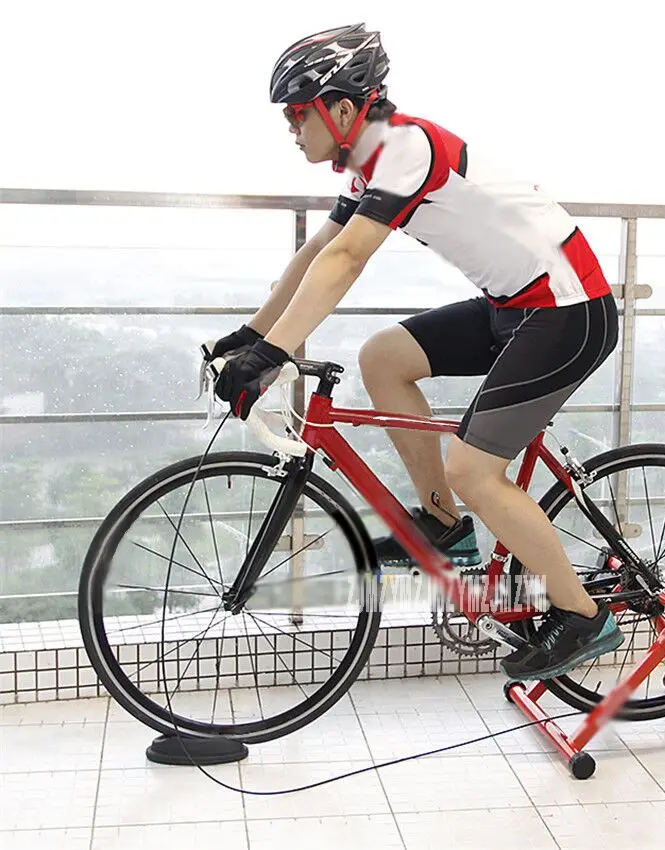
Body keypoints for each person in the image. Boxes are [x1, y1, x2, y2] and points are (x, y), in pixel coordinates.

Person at [209, 23, 624, 680]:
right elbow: (319, 252)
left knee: (473, 470)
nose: (291, 129)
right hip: (513, 307)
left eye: (297, 113)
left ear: (342, 108)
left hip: (568, 312)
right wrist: (254, 337)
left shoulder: (404, 147)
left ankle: (582, 615)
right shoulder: (370, 161)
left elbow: (348, 259)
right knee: (383, 358)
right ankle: (444, 526)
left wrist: (271, 356)